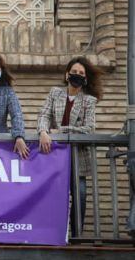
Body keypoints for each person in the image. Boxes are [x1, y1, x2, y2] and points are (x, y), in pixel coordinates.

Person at [37, 56, 101, 236]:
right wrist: (43, 131)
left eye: (81, 73)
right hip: (54, 156)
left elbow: (88, 129)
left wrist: (60, 131)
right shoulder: (54, 93)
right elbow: (43, 115)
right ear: (67, 75)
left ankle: (76, 235)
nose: (77, 75)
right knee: (52, 196)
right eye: (74, 72)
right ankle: (51, 233)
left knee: (79, 196)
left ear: (85, 79)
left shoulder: (89, 101)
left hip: (78, 158)